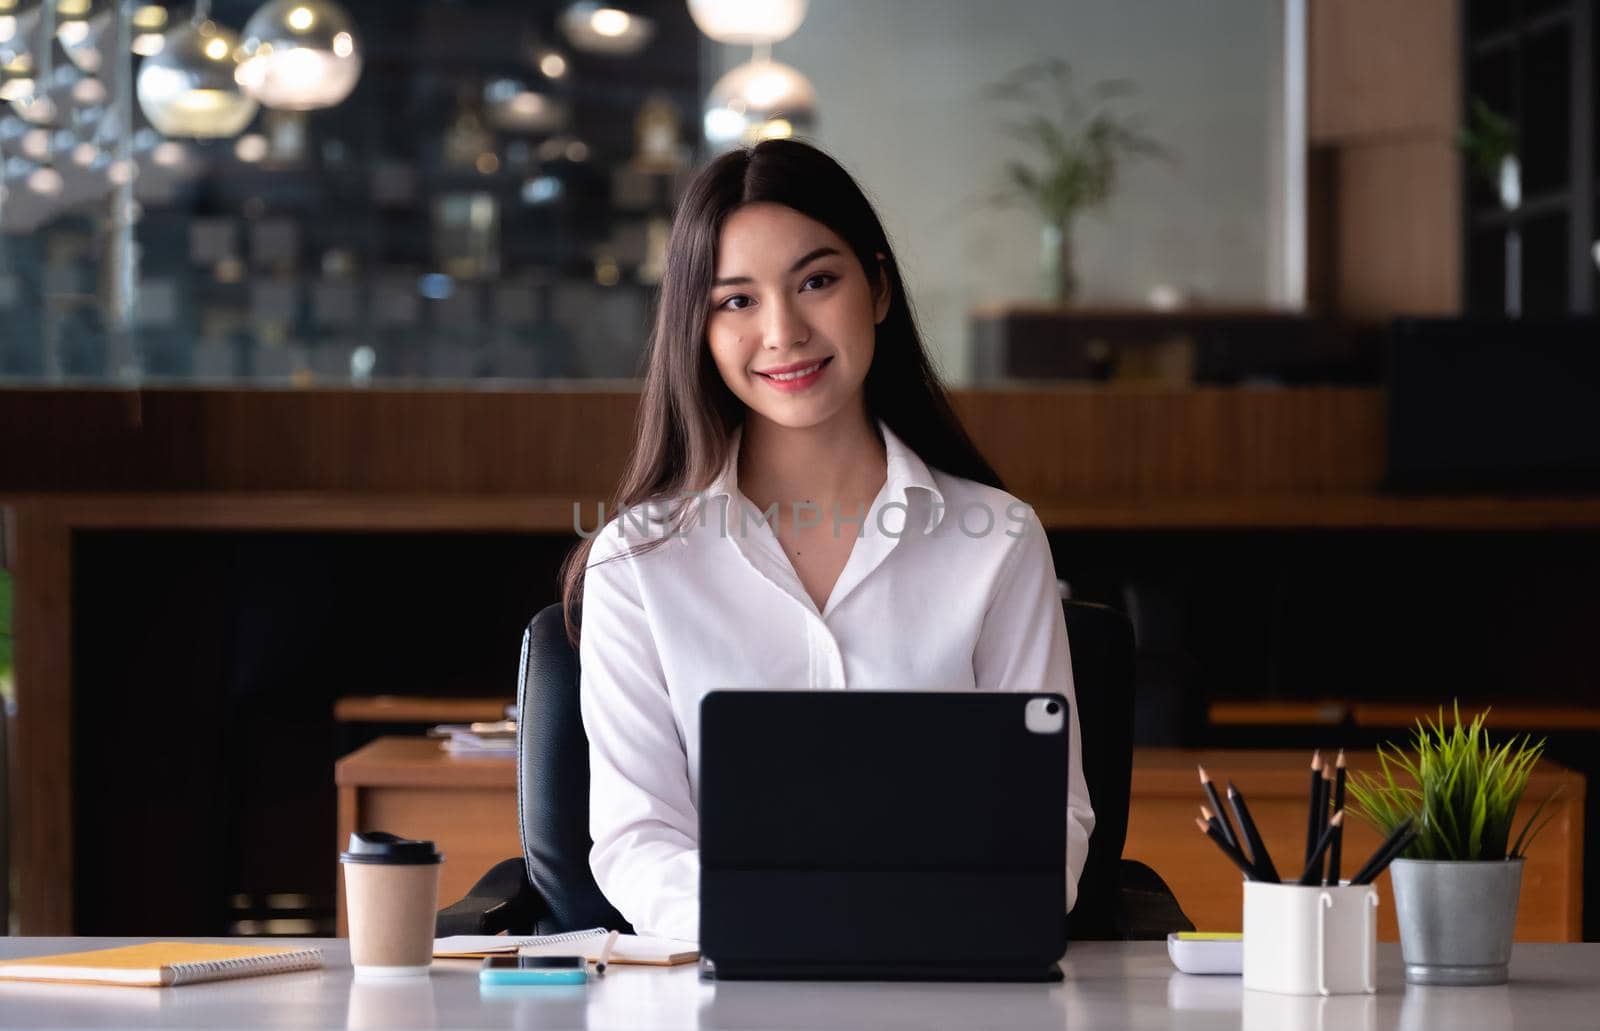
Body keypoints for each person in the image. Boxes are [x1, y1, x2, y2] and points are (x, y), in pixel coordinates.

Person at [559, 138, 1093, 941]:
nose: (783, 331)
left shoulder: (998, 541)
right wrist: (791, 926)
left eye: (816, 281)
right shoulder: (639, 564)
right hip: (723, 988)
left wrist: (910, 929)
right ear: (697, 329)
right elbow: (639, 840)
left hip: (947, 981)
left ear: (876, 287)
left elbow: (1052, 823)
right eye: (736, 300)